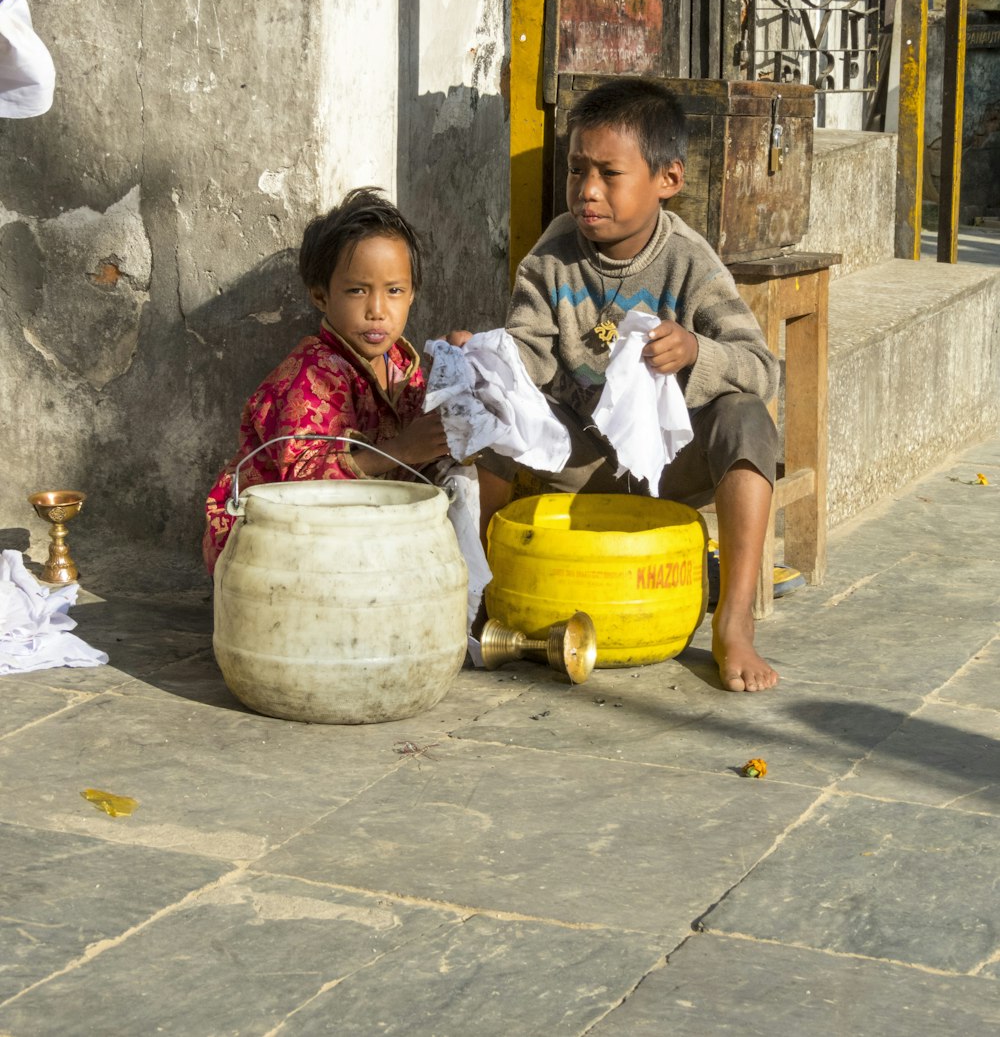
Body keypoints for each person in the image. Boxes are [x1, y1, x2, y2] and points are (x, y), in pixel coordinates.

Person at [459, 78, 781, 692]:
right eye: (578, 169)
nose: (587, 191)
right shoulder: (551, 258)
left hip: (669, 463)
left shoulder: (690, 261)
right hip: (579, 458)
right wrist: (484, 359)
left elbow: (761, 368)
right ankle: (487, 590)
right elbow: (527, 354)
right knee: (493, 408)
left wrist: (694, 352)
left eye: (610, 174)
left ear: (668, 180)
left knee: (747, 420)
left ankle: (733, 619)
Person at [203, 187, 450, 572]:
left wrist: (466, 368)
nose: (377, 311)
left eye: (395, 291)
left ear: (412, 294)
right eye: (357, 291)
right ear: (321, 295)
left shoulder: (404, 365)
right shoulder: (313, 374)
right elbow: (301, 486)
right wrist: (401, 450)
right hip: (270, 545)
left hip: (356, 532)